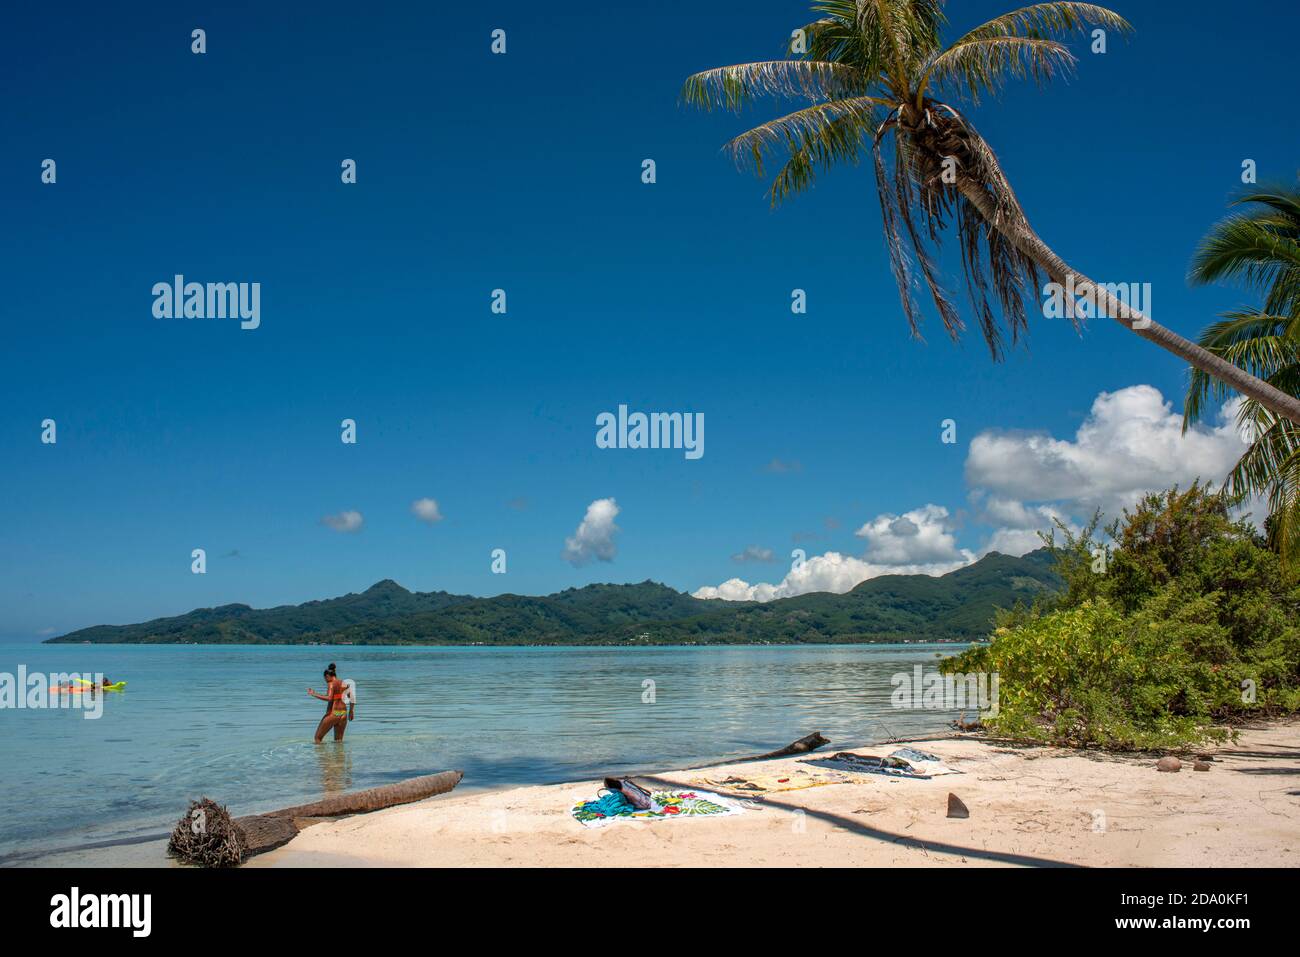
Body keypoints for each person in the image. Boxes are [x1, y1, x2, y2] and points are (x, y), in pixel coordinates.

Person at [307, 663, 349, 743]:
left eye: (325, 679)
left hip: (334, 713)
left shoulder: (331, 684)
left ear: (327, 676)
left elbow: (329, 698)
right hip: (343, 713)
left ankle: (322, 752)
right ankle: (338, 752)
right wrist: (351, 711)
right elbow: (352, 697)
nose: (326, 681)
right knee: (338, 741)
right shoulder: (344, 683)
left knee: (317, 738)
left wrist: (314, 694)